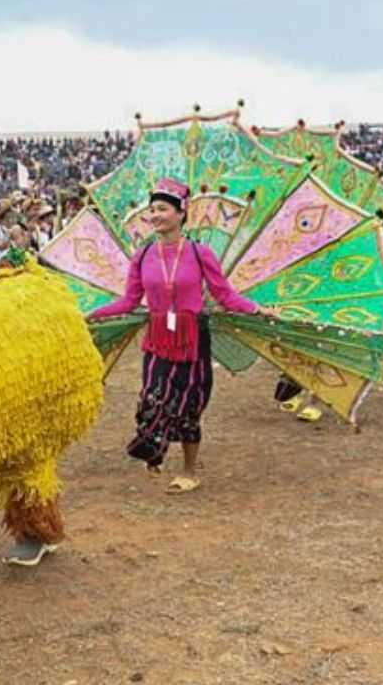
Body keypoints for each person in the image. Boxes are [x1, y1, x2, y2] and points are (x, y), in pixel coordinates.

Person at [87, 178, 275, 493]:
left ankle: (189, 471)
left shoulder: (201, 254)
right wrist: (92, 316)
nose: (155, 216)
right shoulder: (143, 255)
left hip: (193, 339)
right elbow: (129, 301)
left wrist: (258, 309)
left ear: (180, 213)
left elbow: (225, 296)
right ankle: (154, 448)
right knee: (151, 397)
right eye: (152, 210)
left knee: (189, 405)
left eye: (162, 209)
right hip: (158, 337)